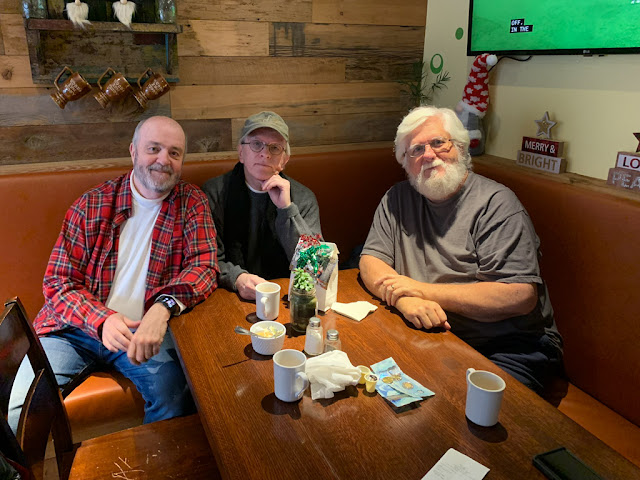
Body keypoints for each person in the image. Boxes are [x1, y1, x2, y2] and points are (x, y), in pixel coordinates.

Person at [9, 116, 219, 430]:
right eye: (153, 149)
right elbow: (58, 282)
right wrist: (102, 320)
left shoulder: (192, 202)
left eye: (174, 153)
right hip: (73, 330)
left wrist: (162, 308)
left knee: (175, 398)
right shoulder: (92, 204)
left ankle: (152, 459)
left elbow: (204, 267)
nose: (164, 160)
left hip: (143, 331)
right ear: (133, 151)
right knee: (20, 408)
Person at [359, 106, 564, 400]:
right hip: (434, 336)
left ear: (461, 147)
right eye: (416, 149)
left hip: (510, 346)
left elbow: (519, 295)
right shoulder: (397, 198)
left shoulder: (496, 204)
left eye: (438, 143)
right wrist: (404, 300)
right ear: (405, 163)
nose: (429, 155)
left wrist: (420, 290)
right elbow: (371, 260)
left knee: (470, 418)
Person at [203, 111, 322, 300]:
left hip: (285, 296)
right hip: (228, 294)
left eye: (275, 148)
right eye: (256, 144)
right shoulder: (214, 193)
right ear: (241, 153)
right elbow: (207, 257)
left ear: (284, 160)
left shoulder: (303, 198)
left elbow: (314, 266)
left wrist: (287, 209)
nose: (265, 154)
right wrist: (237, 278)